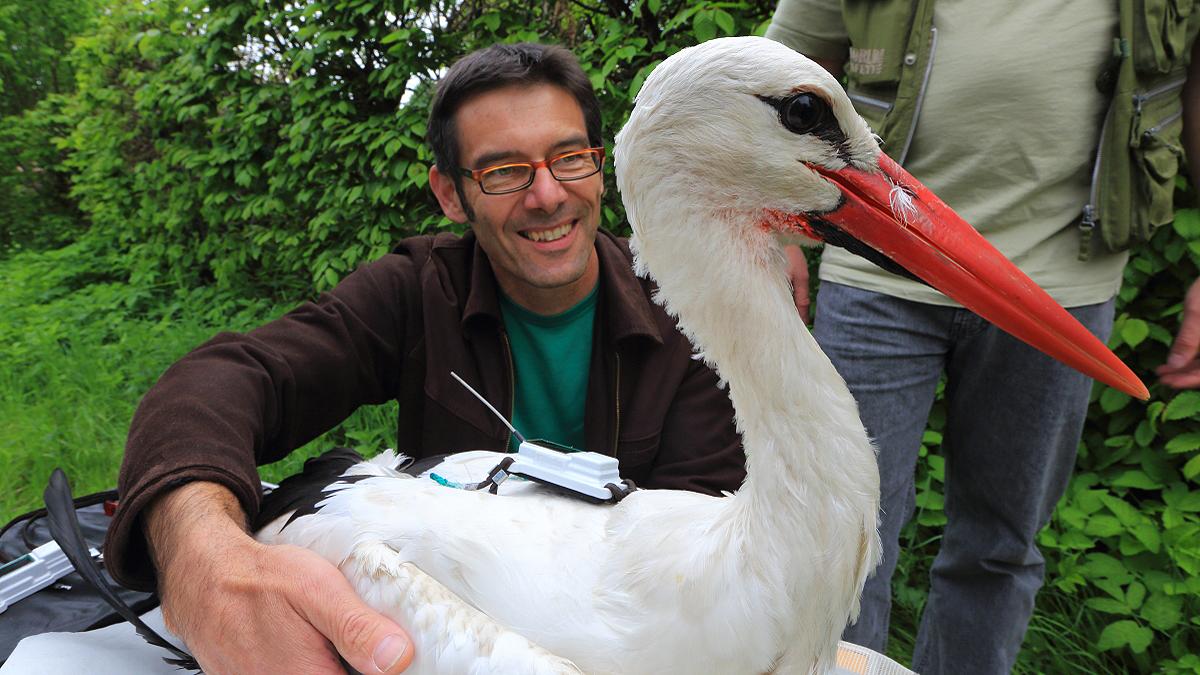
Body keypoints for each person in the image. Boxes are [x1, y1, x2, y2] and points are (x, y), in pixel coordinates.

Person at [102, 42, 747, 674]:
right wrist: (202, 556)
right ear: (448, 194)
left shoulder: (689, 309)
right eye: (503, 171)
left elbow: (703, 565)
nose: (548, 195)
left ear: (599, 167)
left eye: (570, 158)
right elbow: (224, 384)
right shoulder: (418, 291)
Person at [767, 3, 1200, 673]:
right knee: (842, 538)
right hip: (879, 268)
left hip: (1059, 282)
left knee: (1000, 545)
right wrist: (772, 228)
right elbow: (784, 70)